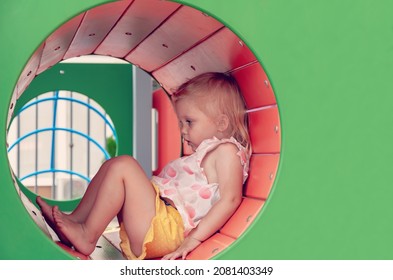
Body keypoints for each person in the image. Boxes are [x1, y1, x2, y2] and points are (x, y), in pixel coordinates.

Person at [36, 72, 251, 260]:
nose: (183, 130)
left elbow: (230, 199)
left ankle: (86, 235)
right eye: (180, 123)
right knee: (113, 165)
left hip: (168, 229)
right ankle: (76, 220)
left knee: (124, 166)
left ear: (222, 123)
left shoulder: (227, 152)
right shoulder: (209, 151)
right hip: (159, 218)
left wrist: (194, 239)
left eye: (189, 122)